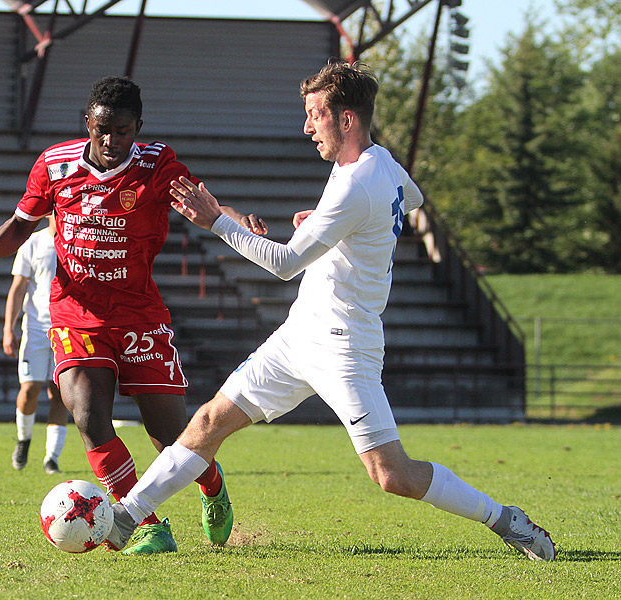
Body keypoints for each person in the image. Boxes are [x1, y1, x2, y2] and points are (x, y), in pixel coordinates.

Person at [104, 60, 556, 562]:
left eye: (315, 114)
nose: (306, 127)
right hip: (300, 335)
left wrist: (216, 221)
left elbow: (283, 263)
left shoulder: (354, 186)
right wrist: (331, 223)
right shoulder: (381, 164)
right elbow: (413, 198)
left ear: (347, 119)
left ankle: (505, 519)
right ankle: (126, 516)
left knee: (393, 475)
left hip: (345, 345)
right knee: (209, 420)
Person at [0, 76, 266, 555]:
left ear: (138, 128)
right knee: (87, 414)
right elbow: (22, 223)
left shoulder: (157, 164)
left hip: (140, 316)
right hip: (75, 315)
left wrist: (236, 219)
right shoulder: (54, 164)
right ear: (88, 122)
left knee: (171, 436)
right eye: (101, 129)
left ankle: (211, 485)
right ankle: (145, 524)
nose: (110, 141)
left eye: (122, 131)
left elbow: (203, 205)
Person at [4, 215, 68, 474]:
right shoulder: (32, 243)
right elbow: (17, 288)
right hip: (36, 328)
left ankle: (51, 457)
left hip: (68, 329)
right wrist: (8, 328)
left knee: (61, 394)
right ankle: (23, 439)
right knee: (29, 389)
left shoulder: (77, 241)